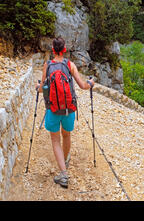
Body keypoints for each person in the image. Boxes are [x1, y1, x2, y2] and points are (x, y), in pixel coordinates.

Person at [36, 37, 95, 188]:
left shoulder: (47, 65)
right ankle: (66, 160)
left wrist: (38, 86)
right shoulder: (70, 65)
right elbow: (82, 86)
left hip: (53, 109)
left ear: (52, 49)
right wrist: (90, 83)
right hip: (69, 109)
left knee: (55, 140)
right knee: (66, 135)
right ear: (64, 49)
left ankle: (63, 174)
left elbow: (42, 87)